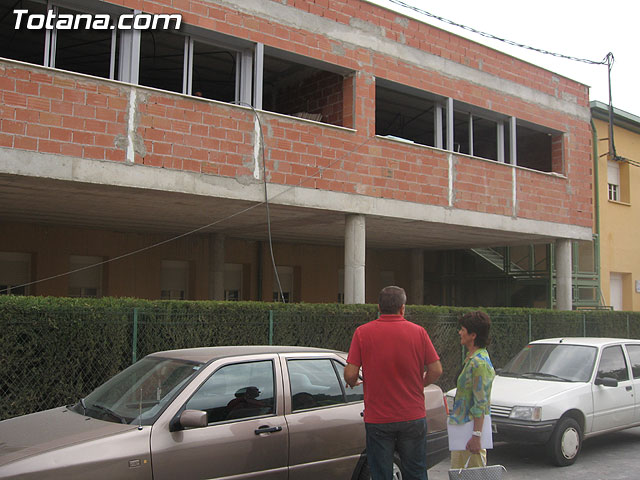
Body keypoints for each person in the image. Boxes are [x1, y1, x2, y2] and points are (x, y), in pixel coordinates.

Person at [344, 286, 443, 480]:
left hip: (378, 418)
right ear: (402, 308)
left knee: (381, 473)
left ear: (379, 307)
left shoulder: (363, 333)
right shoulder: (419, 332)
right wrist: (420, 383)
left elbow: (350, 373)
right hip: (412, 415)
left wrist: (353, 381)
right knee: (415, 471)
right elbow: (436, 370)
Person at [448, 311, 495, 469]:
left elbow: (480, 403)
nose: (460, 332)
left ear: (473, 335)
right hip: (461, 431)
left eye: (463, 329)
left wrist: (477, 436)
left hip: (469, 434)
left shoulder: (479, 363)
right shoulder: (471, 357)